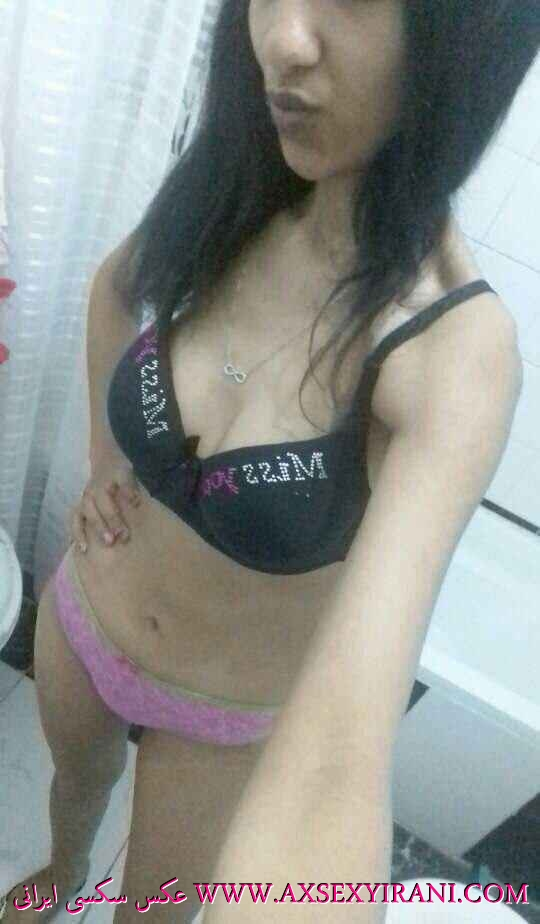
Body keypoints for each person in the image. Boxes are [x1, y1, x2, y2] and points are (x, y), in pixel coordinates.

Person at [2, 0, 537, 921]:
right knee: (72, 795)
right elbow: (113, 290)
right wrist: (103, 465)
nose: (281, 37)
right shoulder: (239, 187)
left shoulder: (450, 349)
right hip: (84, 615)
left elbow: (336, 765)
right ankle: (62, 869)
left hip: (218, 721)